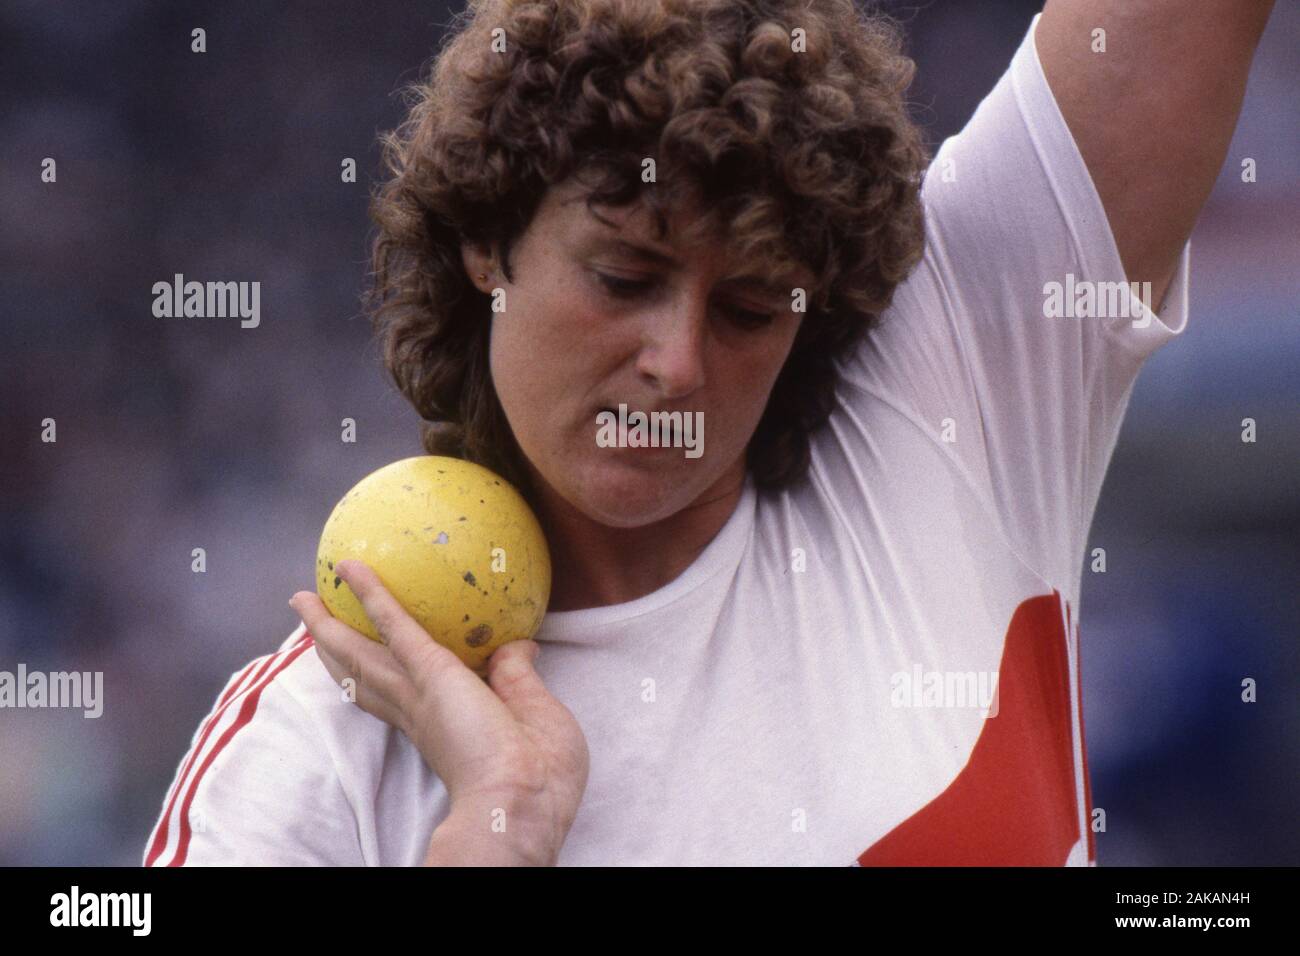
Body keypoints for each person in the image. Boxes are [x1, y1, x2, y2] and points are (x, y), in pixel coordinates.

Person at [143, 0, 1275, 866]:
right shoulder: (307, 760)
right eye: (623, 274)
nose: (676, 362)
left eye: (749, 307)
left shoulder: (959, 379)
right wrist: (493, 838)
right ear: (487, 245)